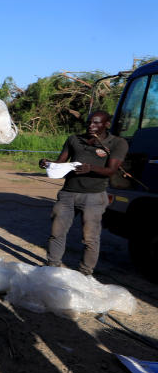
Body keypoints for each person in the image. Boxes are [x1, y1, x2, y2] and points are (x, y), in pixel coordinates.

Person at [39, 111, 128, 275]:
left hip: (93, 197)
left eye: (96, 123)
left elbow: (112, 170)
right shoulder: (74, 139)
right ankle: (52, 267)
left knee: (90, 238)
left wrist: (90, 168)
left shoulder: (117, 143)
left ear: (106, 124)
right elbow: (61, 162)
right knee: (56, 232)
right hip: (67, 195)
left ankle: (85, 272)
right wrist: (48, 163)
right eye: (89, 123)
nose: (91, 126)